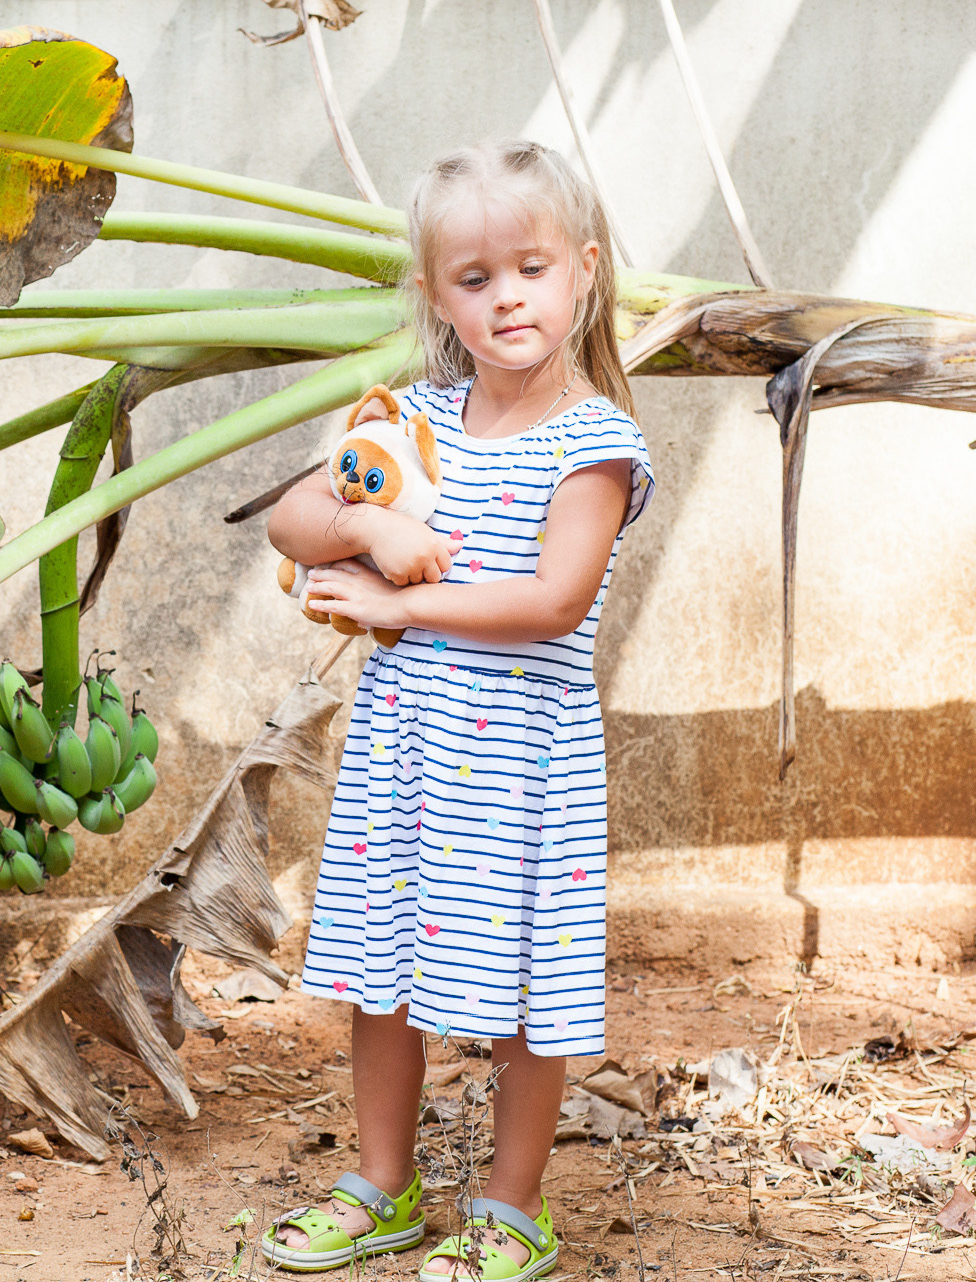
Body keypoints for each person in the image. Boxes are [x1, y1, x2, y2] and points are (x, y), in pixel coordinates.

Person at [257, 139, 655, 1279]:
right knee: (380, 975)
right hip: (407, 757)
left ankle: (511, 1209)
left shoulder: (594, 442)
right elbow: (292, 523)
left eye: (528, 268)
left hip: (525, 764)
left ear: (582, 271)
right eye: (472, 278)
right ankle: (381, 1184)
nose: (506, 297)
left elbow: (550, 599)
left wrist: (398, 602)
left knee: (526, 993)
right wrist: (369, 525)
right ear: (436, 296)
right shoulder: (409, 424)